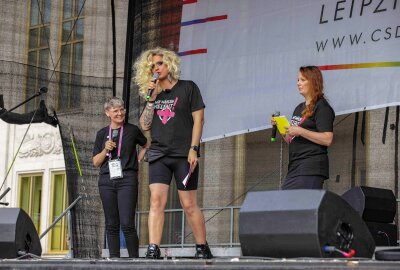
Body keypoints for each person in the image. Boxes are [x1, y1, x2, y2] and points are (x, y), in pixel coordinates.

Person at [133, 47, 213, 259]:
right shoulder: (154, 94)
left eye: (159, 63)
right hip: (159, 154)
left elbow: (199, 120)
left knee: (188, 203)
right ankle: (153, 248)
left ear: (169, 64)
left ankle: (202, 247)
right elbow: (145, 125)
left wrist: (194, 148)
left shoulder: (188, 88)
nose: (156, 69)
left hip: (183, 154)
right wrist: (151, 99)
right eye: (152, 66)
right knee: (156, 201)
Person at [92, 97, 148, 258]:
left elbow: (146, 144)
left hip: (127, 180)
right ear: (107, 113)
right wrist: (105, 150)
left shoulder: (132, 130)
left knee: (127, 224)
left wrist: (138, 159)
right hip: (106, 181)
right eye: (115, 110)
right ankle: (114, 261)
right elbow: (96, 162)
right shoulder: (102, 133)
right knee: (111, 224)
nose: (120, 113)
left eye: (122, 109)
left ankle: (134, 262)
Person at [271, 66, 335, 190]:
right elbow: (291, 140)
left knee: (298, 206)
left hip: (311, 167)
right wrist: (280, 126)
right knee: (287, 205)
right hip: (295, 167)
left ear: (313, 82)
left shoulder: (322, 107)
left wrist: (301, 131)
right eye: (298, 80)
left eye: (302, 80)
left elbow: (327, 139)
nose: (298, 83)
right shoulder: (298, 108)